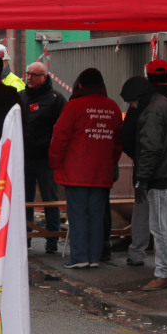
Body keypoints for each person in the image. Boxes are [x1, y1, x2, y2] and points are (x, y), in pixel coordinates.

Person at [119, 59, 167, 266]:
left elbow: (138, 142)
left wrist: (142, 168)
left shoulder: (146, 108)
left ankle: (157, 267)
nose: (131, 104)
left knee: (156, 224)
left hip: (156, 175)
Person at [49, 67, 122, 269]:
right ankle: (94, 256)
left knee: (78, 214)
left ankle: (80, 257)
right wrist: (111, 162)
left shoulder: (74, 106)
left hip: (76, 172)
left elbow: (59, 137)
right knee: (97, 216)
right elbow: (118, 142)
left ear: (80, 85)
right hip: (102, 171)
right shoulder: (113, 107)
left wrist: (54, 162)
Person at [20, 60, 68, 253]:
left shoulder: (56, 99)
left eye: (34, 75)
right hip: (24, 156)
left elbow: (62, 128)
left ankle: (52, 239)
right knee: (25, 199)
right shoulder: (21, 97)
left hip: (46, 158)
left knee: (50, 198)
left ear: (45, 77)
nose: (29, 78)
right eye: (28, 74)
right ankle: (25, 238)